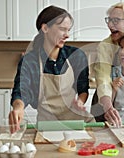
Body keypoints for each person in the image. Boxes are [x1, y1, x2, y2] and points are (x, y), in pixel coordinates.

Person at [9, 5, 94, 133]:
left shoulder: (76, 56)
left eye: (68, 30)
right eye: (62, 29)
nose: (67, 35)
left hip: (78, 123)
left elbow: (83, 87)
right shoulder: (30, 61)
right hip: (47, 126)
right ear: (45, 28)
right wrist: (18, 107)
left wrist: (80, 102)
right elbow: (22, 90)